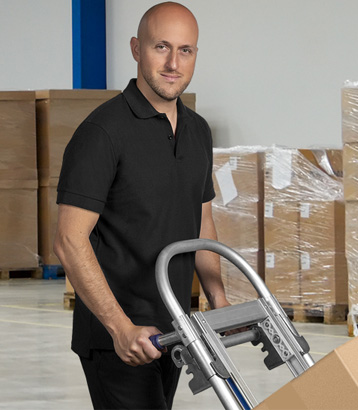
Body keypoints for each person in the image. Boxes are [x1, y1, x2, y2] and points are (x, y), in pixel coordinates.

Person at [53, 2, 230, 409]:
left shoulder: (198, 131)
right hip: (118, 335)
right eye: (161, 47)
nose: (173, 63)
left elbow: (201, 222)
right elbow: (69, 240)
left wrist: (217, 298)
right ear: (136, 48)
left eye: (185, 50)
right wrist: (119, 327)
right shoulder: (103, 132)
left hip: (175, 327)